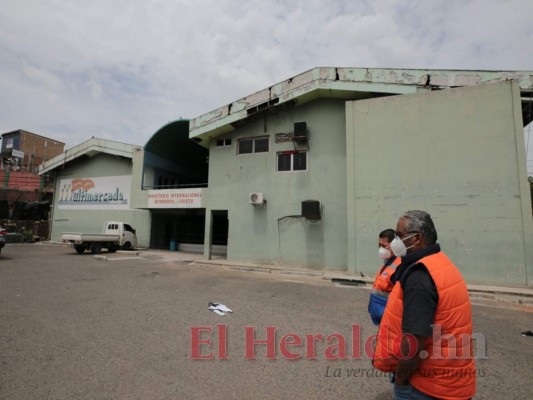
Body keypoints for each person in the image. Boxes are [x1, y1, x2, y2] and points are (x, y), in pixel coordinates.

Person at [373, 210, 476, 400]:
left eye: (400, 235)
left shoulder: (420, 275)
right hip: (451, 380)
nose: (395, 241)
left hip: (426, 386)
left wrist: (401, 380)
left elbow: (413, 343)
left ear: (416, 238)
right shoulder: (440, 263)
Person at [368, 229, 400, 325]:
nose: (381, 249)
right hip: (381, 315)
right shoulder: (388, 263)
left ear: (395, 245)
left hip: (389, 318)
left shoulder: (399, 266)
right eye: (379, 245)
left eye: (384, 245)